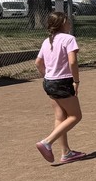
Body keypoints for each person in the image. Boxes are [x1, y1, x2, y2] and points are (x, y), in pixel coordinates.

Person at [34, 11, 85, 165]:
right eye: (68, 21)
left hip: (49, 82)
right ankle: (47, 142)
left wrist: (48, 75)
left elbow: (38, 63)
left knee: (60, 117)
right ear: (62, 23)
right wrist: (76, 81)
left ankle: (66, 152)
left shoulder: (47, 40)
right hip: (62, 82)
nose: (70, 24)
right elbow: (72, 62)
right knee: (75, 116)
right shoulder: (69, 39)